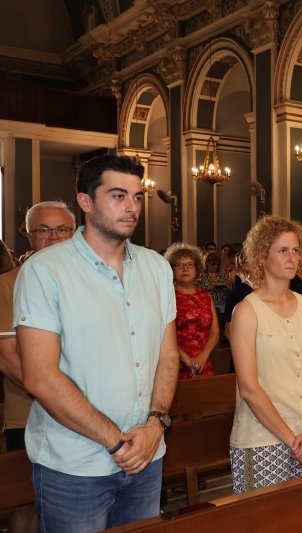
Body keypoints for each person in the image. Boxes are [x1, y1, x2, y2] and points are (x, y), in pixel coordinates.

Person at [13, 155, 179, 530]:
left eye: (137, 197)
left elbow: (168, 356)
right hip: (75, 464)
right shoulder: (45, 272)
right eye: (118, 195)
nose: (131, 207)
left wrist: (155, 426)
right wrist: (117, 444)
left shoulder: (156, 267)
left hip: (148, 455)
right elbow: (39, 376)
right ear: (85, 201)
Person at [229, 215, 302, 493]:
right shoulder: (247, 311)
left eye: (296, 250)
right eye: (282, 250)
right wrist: (292, 439)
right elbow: (249, 388)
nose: (292, 257)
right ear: (262, 256)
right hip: (262, 439)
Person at [0, 203, 75, 453]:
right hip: (30, 414)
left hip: (91, 414)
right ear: (29, 236)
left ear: (74, 234)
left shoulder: (91, 282)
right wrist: (65, 401)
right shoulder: (7, 285)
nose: (54, 237)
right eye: (43, 230)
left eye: (62, 229)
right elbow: (8, 358)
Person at [166, 242, 220, 379]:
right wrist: (187, 360)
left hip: (204, 362)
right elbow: (162, 335)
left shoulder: (205, 295)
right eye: (179, 265)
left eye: (189, 264)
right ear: (171, 269)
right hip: (176, 363)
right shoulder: (166, 296)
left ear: (197, 268)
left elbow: (215, 332)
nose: (185, 269)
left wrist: (203, 356)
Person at [196, 250, 230, 316]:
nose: (215, 266)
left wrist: (227, 288)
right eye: (213, 264)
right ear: (207, 263)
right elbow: (196, 290)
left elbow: (228, 288)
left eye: (218, 264)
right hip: (206, 306)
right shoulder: (201, 276)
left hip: (222, 307)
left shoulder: (222, 275)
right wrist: (209, 287)